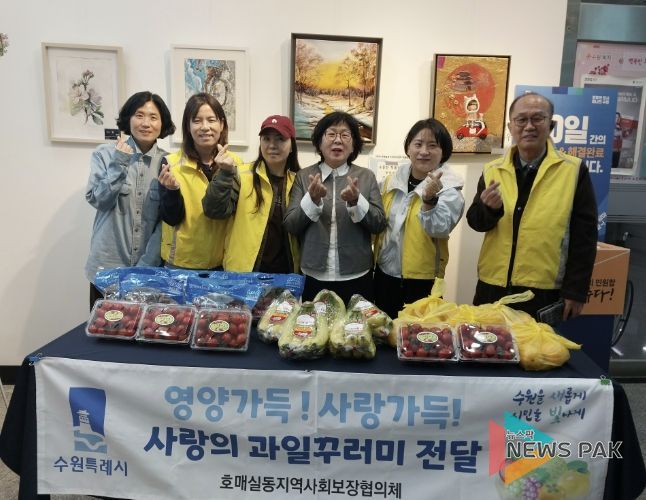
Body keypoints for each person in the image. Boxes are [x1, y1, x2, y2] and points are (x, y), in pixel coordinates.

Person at [466, 91, 598, 321]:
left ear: (551, 125)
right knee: (485, 342)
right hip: (493, 286)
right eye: (521, 120)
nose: (529, 126)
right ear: (510, 127)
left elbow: (584, 237)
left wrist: (576, 291)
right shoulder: (493, 169)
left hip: (543, 290)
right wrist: (489, 209)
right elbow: (476, 222)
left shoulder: (573, 170)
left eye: (537, 118)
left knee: (538, 345)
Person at [85, 91, 176, 309]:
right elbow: (99, 201)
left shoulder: (169, 162)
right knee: (104, 328)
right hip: (106, 269)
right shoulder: (105, 154)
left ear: (162, 123)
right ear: (129, 118)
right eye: (139, 115)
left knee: (143, 328)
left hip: (148, 271)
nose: (146, 123)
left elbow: (166, 222)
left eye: (153, 117)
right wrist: (120, 162)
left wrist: (145, 266)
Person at [284, 111, 386, 304]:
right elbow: (291, 225)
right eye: (331, 134)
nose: (338, 140)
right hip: (313, 275)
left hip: (357, 274)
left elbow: (379, 223)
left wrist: (356, 201)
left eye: (345, 135)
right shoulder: (304, 176)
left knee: (356, 324)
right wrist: (312, 200)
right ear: (319, 142)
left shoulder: (366, 177)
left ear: (353, 144)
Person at [373, 118, 465, 319]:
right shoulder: (390, 182)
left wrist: (429, 200)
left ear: (443, 152)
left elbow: (439, 228)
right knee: (382, 330)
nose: (424, 151)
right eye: (418, 144)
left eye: (432, 146)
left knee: (418, 335)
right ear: (408, 148)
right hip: (384, 274)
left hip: (422, 280)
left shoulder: (450, 189)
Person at [202, 115, 300, 273]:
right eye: (266, 139)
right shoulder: (240, 175)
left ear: (292, 146)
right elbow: (214, 211)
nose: (272, 145)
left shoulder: (299, 182)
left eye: (280, 139)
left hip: (286, 276)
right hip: (243, 276)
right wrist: (224, 174)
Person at [159, 93, 242, 270]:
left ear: (221, 124)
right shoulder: (171, 163)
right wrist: (172, 192)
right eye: (197, 121)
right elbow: (171, 218)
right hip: (180, 264)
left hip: (221, 263)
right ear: (187, 126)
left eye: (211, 120)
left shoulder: (236, 164)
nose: (205, 127)